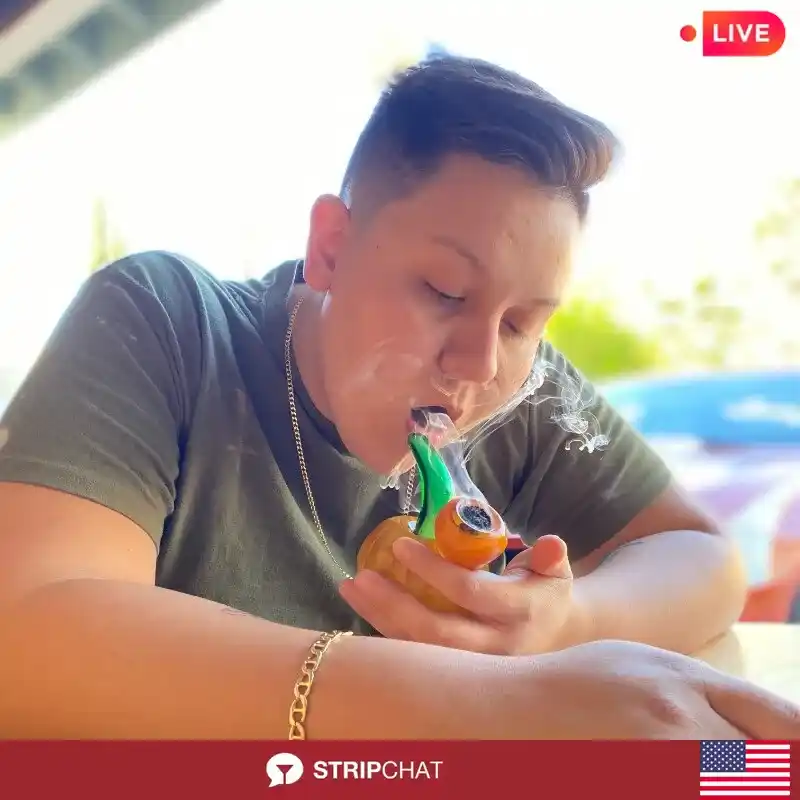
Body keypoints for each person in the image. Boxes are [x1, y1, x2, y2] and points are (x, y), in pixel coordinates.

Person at [0, 54, 797, 741]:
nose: (479, 362)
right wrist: (494, 705)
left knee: (742, 765)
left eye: (522, 322)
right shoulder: (173, 324)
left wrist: (564, 623)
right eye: (444, 291)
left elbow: (703, 559)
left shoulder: (529, 395)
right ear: (332, 246)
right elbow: (29, 637)